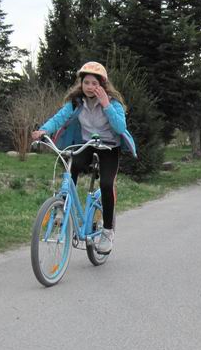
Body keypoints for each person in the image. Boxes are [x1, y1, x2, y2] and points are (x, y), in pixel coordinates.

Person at [32, 62, 137, 255]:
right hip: (87, 144)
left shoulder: (113, 103)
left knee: (106, 184)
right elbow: (59, 118)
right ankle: (61, 210)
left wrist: (106, 105)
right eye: (86, 82)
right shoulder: (76, 102)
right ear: (81, 84)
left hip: (109, 147)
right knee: (71, 166)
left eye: (94, 83)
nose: (90, 87)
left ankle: (107, 231)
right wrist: (44, 130)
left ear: (102, 85)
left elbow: (120, 128)